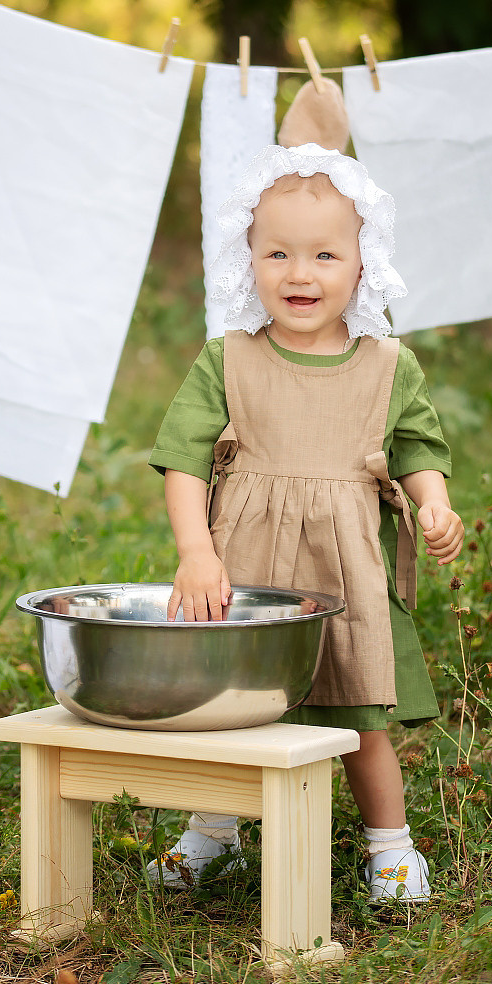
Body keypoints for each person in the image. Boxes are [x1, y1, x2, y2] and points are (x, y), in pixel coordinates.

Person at [148, 142, 464, 901]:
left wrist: (434, 499)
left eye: (325, 254)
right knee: (228, 712)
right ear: (246, 259)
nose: (300, 273)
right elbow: (185, 461)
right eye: (278, 252)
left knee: (359, 718)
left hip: (345, 572)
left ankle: (389, 848)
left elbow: (418, 445)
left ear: (363, 263)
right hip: (246, 574)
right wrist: (195, 551)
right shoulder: (227, 360)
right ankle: (212, 832)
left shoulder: (388, 364)